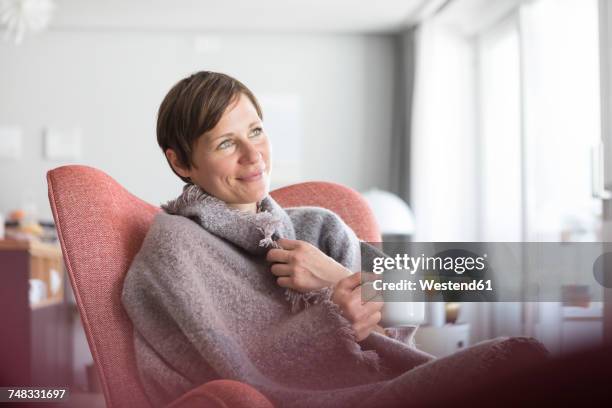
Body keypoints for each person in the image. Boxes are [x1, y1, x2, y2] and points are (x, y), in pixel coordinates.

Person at [121, 71, 548, 408]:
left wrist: (336, 277)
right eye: (225, 143)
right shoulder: (175, 248)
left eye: (255, 131)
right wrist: (333, 317)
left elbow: (409, 312)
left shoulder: (317, 226)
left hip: (386, 381)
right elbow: (225, 370)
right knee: (515, 363)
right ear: (181, 162)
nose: (253, 156)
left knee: (522, 362)